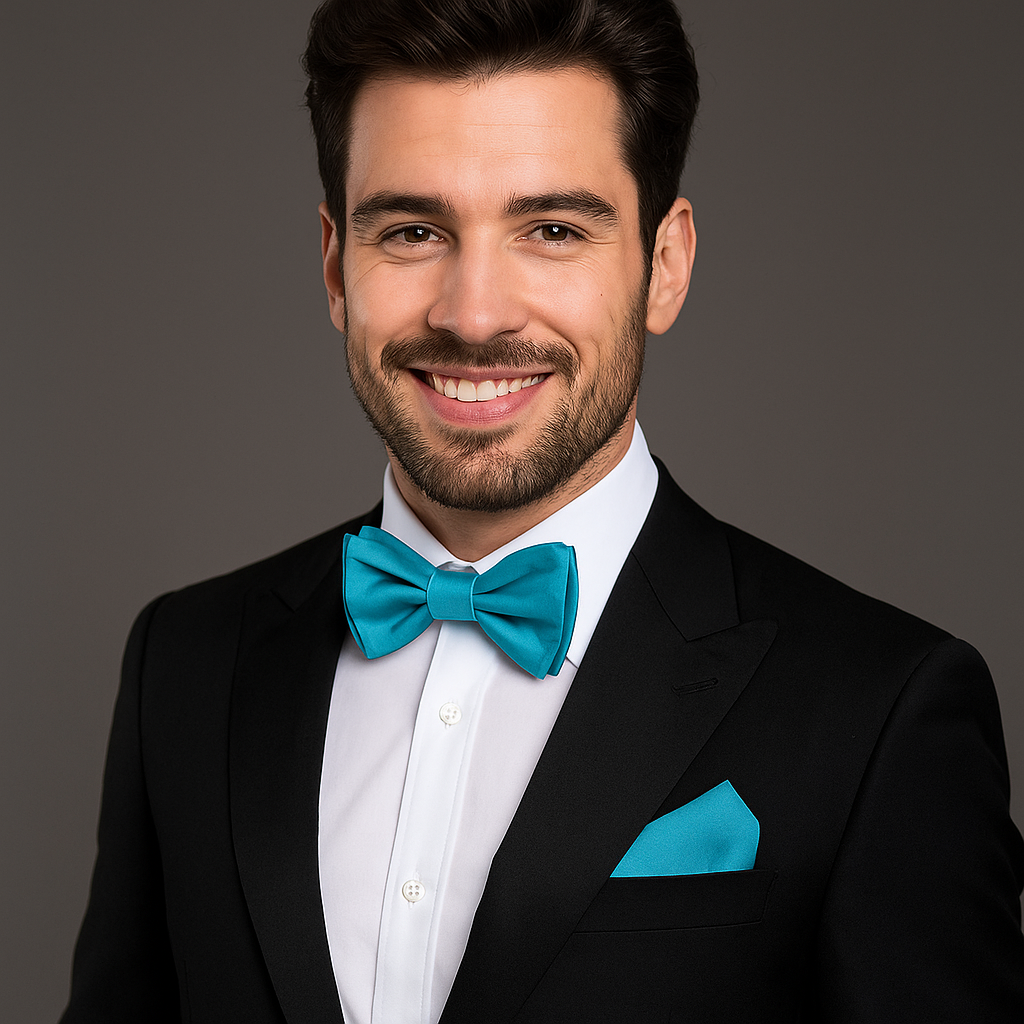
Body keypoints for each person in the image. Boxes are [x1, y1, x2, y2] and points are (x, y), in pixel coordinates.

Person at [60, 0, 1024, 1020]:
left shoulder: (882, 710)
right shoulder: (184, 663)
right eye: (414, 230)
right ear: (337, 266)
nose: (474, 314)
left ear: (666, 262)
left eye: (552, 229)